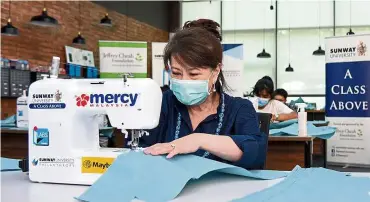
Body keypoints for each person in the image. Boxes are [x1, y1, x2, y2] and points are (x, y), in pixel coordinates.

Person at [140, 19, 267, 170]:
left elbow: (255, 155)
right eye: (176, 73)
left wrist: (199, 140)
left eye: (193, 74)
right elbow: (138, 151)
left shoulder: (239, 109)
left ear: (216, 71)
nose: (184, 81)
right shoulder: (162, 104)